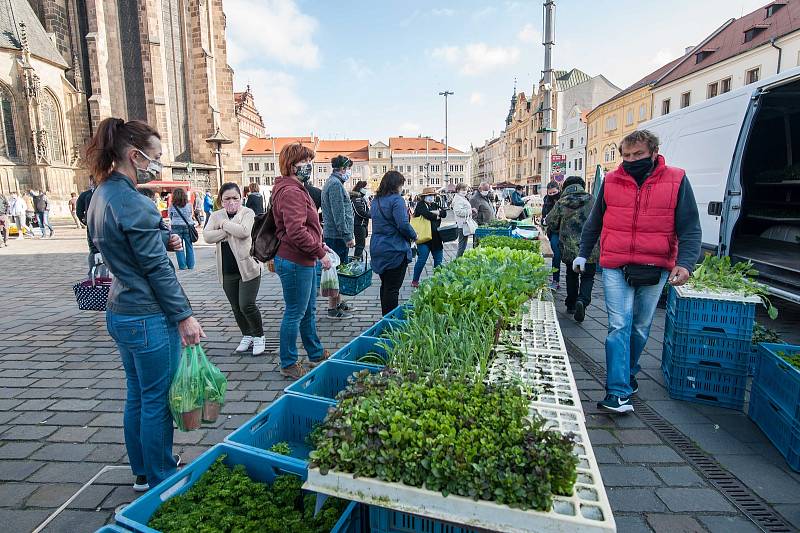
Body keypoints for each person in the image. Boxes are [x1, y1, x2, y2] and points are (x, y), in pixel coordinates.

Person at [85, 117, 204, 491]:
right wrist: (184, 315)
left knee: (137, 393)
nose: (158, 163)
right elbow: (157, 271)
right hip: (147, 314)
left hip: (120, 310)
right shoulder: (136, 203)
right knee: (157, 399)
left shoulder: (100, 196)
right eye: (155, 156)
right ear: (135, 156)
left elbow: (120, 248)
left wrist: (160, 237)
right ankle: (161, 476)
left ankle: (142, 470)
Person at [575, 130, 701, 414]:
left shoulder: (676, 179)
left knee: (641, 327)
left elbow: (690, 226)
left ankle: (628, 371)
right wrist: (583, 252)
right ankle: (617, 392)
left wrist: (686, 262)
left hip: (655, 265)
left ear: (654, 153)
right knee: (618, 324)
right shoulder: (610, 181)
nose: (631, 160)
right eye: (627, 156)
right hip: (615, 264)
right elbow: (594, 222)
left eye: (638, 155)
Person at [272, 142, 332, 379]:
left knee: (308, 310)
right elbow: (296, 231)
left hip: (301, 258)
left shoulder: (293, 188)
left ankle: (315, 352)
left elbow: (304, 227)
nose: (309, 166)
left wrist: (319, 244)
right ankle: (288, 362)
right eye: (305, 162)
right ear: (291, 165)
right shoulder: (292, 191)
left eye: (310, 161)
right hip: (295, 260)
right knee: (295, 312)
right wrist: (321, 253)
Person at [204, 183, 265, 356]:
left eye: (235, 198)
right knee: (236, 307)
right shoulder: (216, 215)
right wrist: (229, 230)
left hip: (248, 267)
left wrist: (223, 225)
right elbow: (207, 236)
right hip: (227, 269)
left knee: (247, 304)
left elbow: (244, 232)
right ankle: (247, 335)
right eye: (227, 198)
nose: (231, 202)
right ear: (221, 200)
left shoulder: (247, 212)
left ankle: (259, 335)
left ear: (241, 198)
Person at [545, 176, 599, 323]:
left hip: (569, 247)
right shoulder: (592, 199)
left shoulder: (562, 201)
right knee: (588, 276)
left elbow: (550, 221)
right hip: (590, 247)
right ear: (582, 185)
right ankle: (583, 300)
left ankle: (571, 304)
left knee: (571, 274)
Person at [371, 171, 417, 315]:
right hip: (394, 248)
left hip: (378, 246)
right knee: (392, 288)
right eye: (401, 184)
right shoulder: (397, 200)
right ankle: (390, 322)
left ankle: (385, 317)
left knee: (385, 285)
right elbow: (403, 224)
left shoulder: (376, 200)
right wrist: (414, 235)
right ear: (396, 185)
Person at [321, 155, 355, 319]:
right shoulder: (335, 185)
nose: (349, 172)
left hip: (335, 235)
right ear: (342, 169)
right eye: (348, 169)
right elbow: (338, 215)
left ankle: (338, 303)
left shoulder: (334, 183)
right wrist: (347, 235)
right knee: (335, 272)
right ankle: (332, 309)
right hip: (336, 236)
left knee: (338, 271)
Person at [411, 187, 447, 288]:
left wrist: (439, 213)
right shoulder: (420, 205)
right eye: (429, 196)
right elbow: (427, 215)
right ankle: (415, 280)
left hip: (436, 237)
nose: (431, 198)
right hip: (424, 238)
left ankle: (437, 280)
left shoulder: (435, 204)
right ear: (424, 197)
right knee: (422, 260)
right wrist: (437, 214)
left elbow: (444, 213)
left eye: (432, 196)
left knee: (439, 261)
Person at [168, 187, 197, 270]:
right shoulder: (189, 204)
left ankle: (182, 265)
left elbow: (170, 216)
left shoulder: (172, 206)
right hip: (188, 226)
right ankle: (191, 265)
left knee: (178, 246)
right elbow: (191, 214)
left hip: (176, 226)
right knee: (189, 245)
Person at [542, 181, 562, 289]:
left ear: (558, 190)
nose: (552, 194)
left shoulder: (563, 199)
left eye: (554, 192)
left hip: (564, 231)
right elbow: (544, 213)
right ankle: (556, 280)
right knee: (556, 255)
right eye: (550, 193)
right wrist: (543, 220)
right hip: (554, 231)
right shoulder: (546, 199)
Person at [451, 183, 476, 257]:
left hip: (464, 224)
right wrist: (470, 210)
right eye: (463, 190)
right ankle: (458, 260)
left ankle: (459, 259)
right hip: (462, 225)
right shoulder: (458, 199)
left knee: (463, 244)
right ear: (458, 190)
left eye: (466, 190)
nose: (465, 191)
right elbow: (458, 212)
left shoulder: (461, 198)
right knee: (462, 245)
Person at [350, 180, 370, 261]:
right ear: (360, 189)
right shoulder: (357, 199)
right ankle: (356, 263)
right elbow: (360, 212)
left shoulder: (360, 198)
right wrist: (372, 215)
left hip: (362, 224)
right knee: (360, 246)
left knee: (361, 245)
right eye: (364, 188)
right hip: (358, 224)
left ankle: (358, 261)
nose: (366, 189)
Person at [470, 182, 495, 246]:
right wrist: (477, 229)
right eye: (485, 190)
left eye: (488, 190)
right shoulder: (475, 199)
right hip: (481, 227)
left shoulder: (486, 197)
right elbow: (473, 216)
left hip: (488, 225)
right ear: (480, 189)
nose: (487, 191)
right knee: (478, 245)